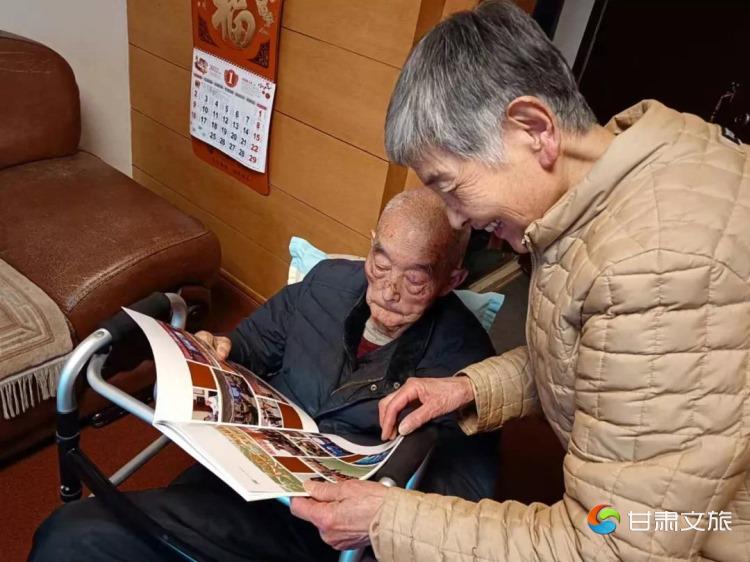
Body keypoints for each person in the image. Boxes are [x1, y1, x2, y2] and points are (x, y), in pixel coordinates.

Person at [290, 2, 750, 560]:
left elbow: (613, 542)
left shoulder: (658, 269)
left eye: (451, 186)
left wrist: (386, 518)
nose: (454, 218)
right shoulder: (627, 173)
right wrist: (469, 388)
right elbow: (604, 359)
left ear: (534, 129)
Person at [28, 188, 498, 561]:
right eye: (381, 262)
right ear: (371, 242)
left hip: (325, 533)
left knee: (72, 537)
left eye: (415, 279)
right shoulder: (326, 283)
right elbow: (251, 344)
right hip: (236, 479)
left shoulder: (466, 362)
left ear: (451, 281)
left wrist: (381, 509)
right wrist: (218, 350)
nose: (390, 289)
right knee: (78, 536)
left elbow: (466, 496)